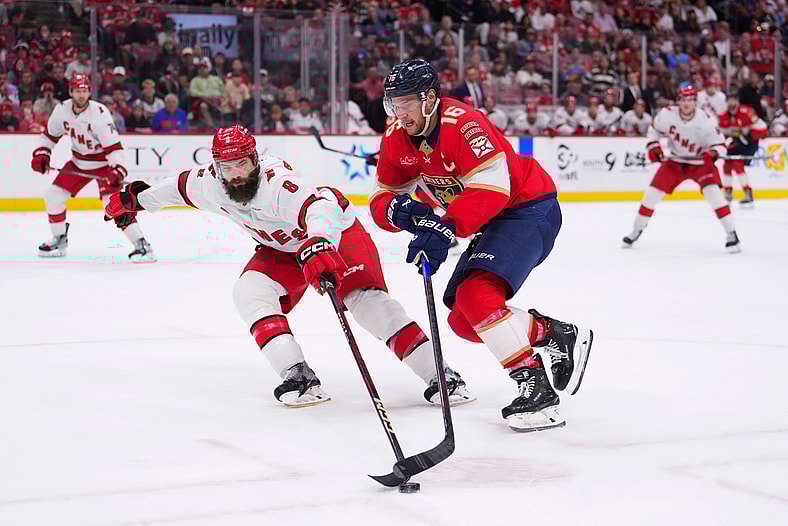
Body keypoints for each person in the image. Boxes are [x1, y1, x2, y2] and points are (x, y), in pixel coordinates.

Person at [103, 125, 475, 408]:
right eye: (226, 166)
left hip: (336, 236)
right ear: (215, 167)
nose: (235, 174)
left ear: (256, 160)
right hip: (282, 250)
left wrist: (318, 242)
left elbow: (319, 208)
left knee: (367, 305)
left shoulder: (278, 183)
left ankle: (440, 375)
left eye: (243, 164)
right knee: (249, 291)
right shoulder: (208, 184)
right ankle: (298, 376)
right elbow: (174, 188)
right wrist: (135, 200)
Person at [370, 59, 593, 432]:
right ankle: (554, 333)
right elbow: (382, 198)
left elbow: (493, 188)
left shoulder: (463, 123)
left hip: (528, 208)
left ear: (428, 98)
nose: (399, 111)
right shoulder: (396, 137)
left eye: (406, 102)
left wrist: (444, 227)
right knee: (463, 320)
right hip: (491, 220)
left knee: (476, 296)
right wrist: (406, 214)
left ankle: (536, 389)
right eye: (393, 103)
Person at [30, 73, 156, 262]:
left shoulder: (99, 113)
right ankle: (59, 239)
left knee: (112, 205)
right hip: (78, 162)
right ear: (71, 92)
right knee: (53, 196)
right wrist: (42, 153)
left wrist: (117, 169)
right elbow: (49, 136)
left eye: (84, 91)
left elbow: (114, 147)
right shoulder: (61, 110)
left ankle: (142, 245)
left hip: (104, 165)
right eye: (77, 91)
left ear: (89, 92)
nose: (81, 95)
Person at [622, 86, 740, 253]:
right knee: (651, 196)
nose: (686, 104)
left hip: (700, 164)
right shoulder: (667, 114)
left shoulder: (706, 120)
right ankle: (636, 230)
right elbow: (654, 130)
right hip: (675, 161)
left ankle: (731, 233)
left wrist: (712, 154)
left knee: (714, 195)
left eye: (690, 100)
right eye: (683, 100)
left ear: (695, 102)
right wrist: (654, 147)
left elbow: (720, 145)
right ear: (678, 101)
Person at [718, 93, 767, 207]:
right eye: (729, 100)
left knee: (737, 164)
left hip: (750, 143)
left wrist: (748, 137)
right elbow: (722, 134)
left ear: (737, 101)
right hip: (736, 143)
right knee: (727, 165)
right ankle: (728, 193)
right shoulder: (724, 116)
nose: (731, 103)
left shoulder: (747, 112)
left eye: (733, 100)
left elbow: (763, 128)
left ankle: (748, 193)